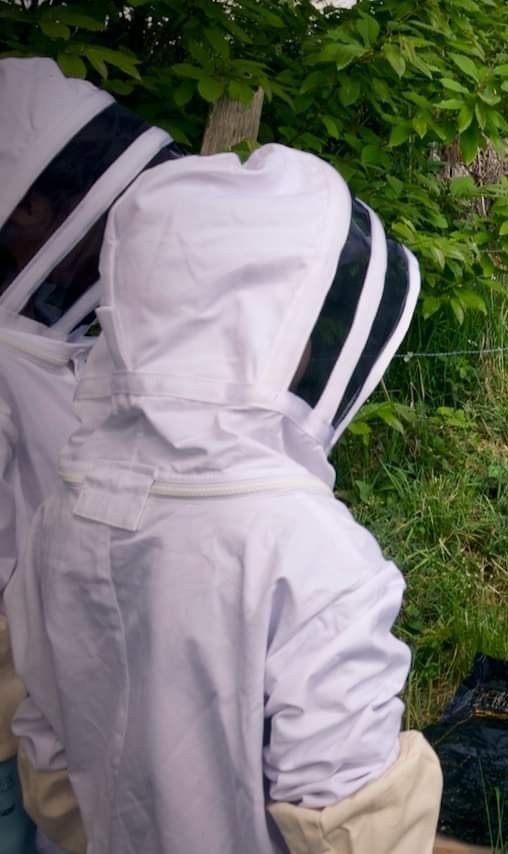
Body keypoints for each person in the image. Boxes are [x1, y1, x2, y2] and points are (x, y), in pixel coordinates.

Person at [4, 143, 443, 852]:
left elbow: (50, 759)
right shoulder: (315, 555)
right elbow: (350, 825)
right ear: (270, 320)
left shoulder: (63, 510)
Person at [0, 55, 183, 852]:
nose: (104, 224)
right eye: (80, 198)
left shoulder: (48, 343)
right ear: (26, 205)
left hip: (60, 716)